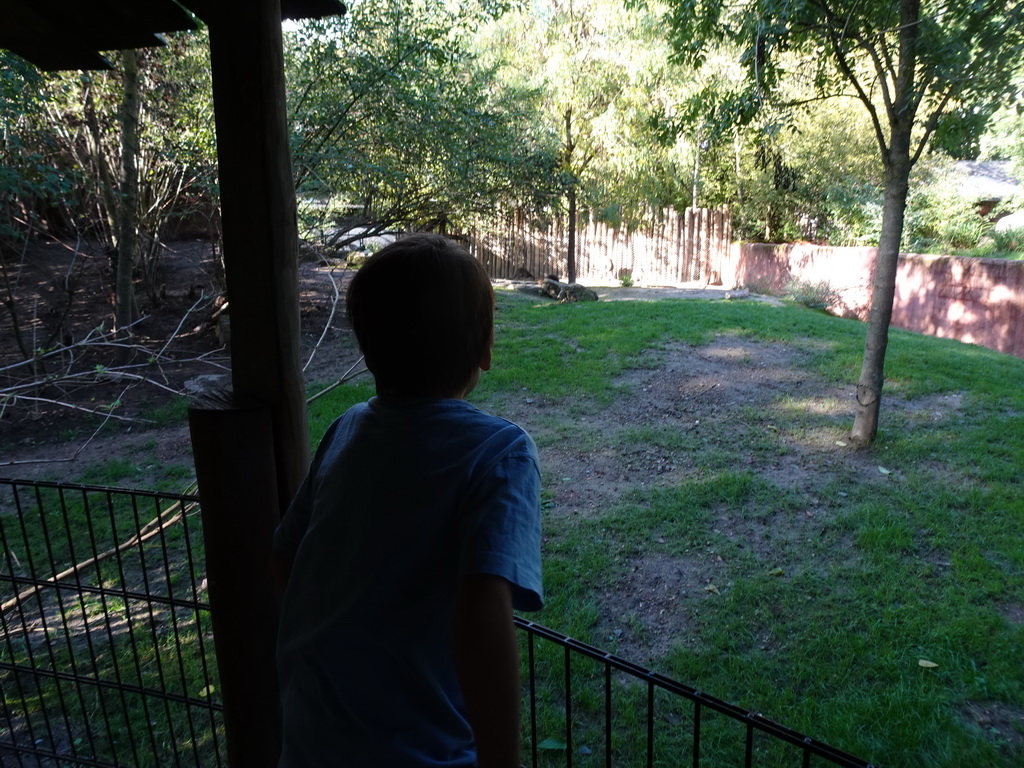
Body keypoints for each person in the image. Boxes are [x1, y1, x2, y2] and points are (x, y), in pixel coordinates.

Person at [273, 234, 544, 768]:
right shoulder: (500, 452)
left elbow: (284, 560)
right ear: (485, 347)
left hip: (312, 743)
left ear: (369, 351)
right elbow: (483, 612)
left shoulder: (347, 429)